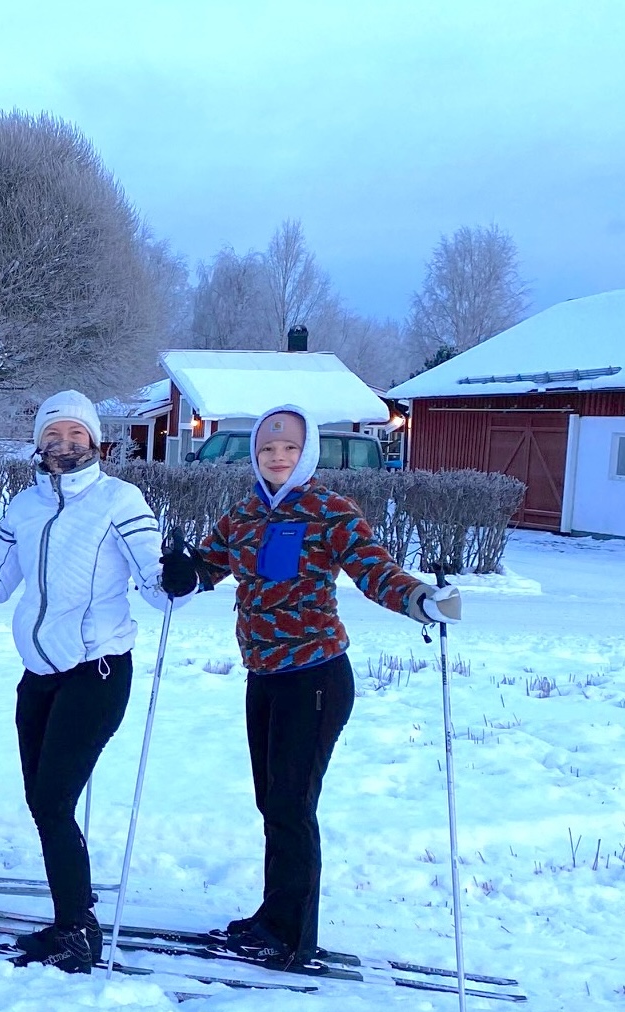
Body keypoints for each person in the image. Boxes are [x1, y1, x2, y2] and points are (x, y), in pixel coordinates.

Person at [0, 390, 198, 972]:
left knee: (52, 800)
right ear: (40, 444)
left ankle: (77, 929)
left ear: (95, 441)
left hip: (97, 671)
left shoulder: (120, 500)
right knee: (44, 803)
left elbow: (158, 588)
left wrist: (179, 575)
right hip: (38, 677)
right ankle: (73, 913)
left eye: (76, 435)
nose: (64, 445)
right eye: (53, 435)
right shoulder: (23, 508)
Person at [191, 405, 461, 967]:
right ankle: (273, 915)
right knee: (273, 802)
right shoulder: (243, 514)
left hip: (315, 676)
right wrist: (180, 571)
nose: (278, 457)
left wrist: (420, 599)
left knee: (292, 803)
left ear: (307, 452)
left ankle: (290, 934)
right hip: (263, 676)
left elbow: (373, 569)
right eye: (268, 449)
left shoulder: (330, 511)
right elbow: (207, 565)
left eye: (289, 448)